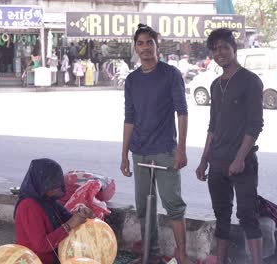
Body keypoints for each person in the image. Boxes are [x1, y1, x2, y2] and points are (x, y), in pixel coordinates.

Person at [120, 24, 192, 264]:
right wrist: (123, 156)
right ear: (135, 48)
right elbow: (129, 118)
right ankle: (150, 255)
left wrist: (181, 149)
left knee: (174, 206)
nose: (145, 48)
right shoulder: (131, 80)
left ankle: (181, 256)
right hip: (139, 152)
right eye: (140, 43)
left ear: (157, 46)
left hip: (165, 151)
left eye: (149, 43)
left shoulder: (170, 74)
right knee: (144, 208)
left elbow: (182, 112)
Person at [195, 28, 264, 264]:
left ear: (234, 48)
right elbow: (212, 125)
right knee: (221, 216)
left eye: (224, 46)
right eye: (214, 49)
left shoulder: (250, 81)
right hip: (217, 162)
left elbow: (255, 125)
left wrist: (240, 158)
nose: (219, 52)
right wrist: (204, 159)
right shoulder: (215, 85)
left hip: (242, 163)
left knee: (247, 215)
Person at [14, 158, 94, 264]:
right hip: (34, 260)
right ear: (40, 182)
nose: (56, 189)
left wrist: (82, 213)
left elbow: (68, 217)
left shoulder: (48, 200)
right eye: (52, 186)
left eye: (57, 184)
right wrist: (69, 225)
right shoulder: (28, 206)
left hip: (54, 257)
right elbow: (41, 245)